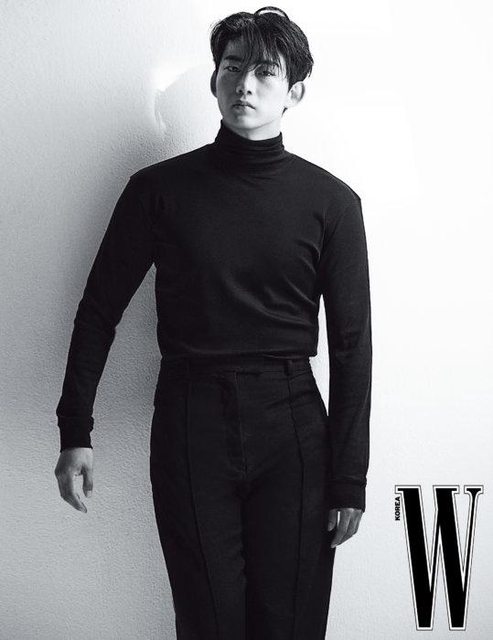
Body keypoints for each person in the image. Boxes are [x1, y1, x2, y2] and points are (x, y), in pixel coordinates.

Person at [54, 6, 372, 639]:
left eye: (265, 72)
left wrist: (349, 477)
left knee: (291, 624)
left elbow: (352, 346)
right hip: (190, 419)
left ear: (294, 91)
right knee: (208, 623)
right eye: (232, 67)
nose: (244, 85)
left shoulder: (332, 203)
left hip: (293, 426)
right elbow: (98, 310)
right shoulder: (158, 190)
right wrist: (75, 428)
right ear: (214, 79)